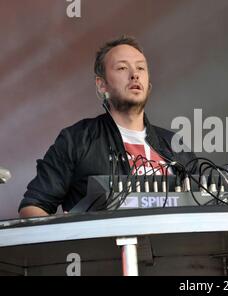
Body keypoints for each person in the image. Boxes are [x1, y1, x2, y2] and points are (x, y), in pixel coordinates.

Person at [19, 36, 196, 218]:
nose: (134, 74)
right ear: (102, 85)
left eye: (141, 68)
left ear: (148, 84)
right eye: (122, 68)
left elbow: (204, 203)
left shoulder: (174, 144)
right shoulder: (77, 139)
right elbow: (33, 207)